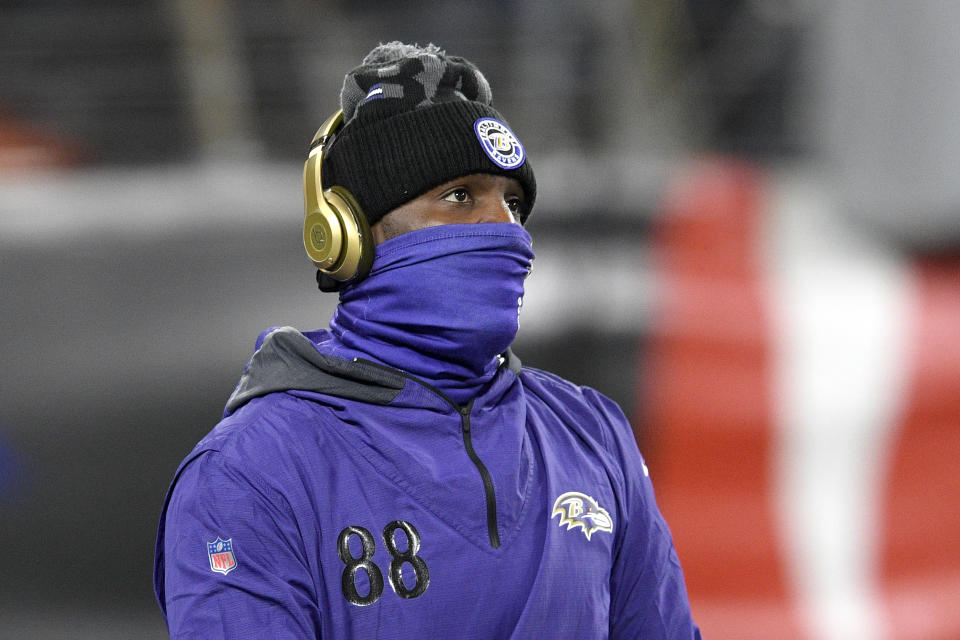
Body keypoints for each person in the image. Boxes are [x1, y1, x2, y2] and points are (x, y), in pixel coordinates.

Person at [153, 42, 702, 639]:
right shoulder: (250, 470)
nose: (505, 230)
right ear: (350, 235)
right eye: (460, 196)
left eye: (514, 204)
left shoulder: (592, 433)